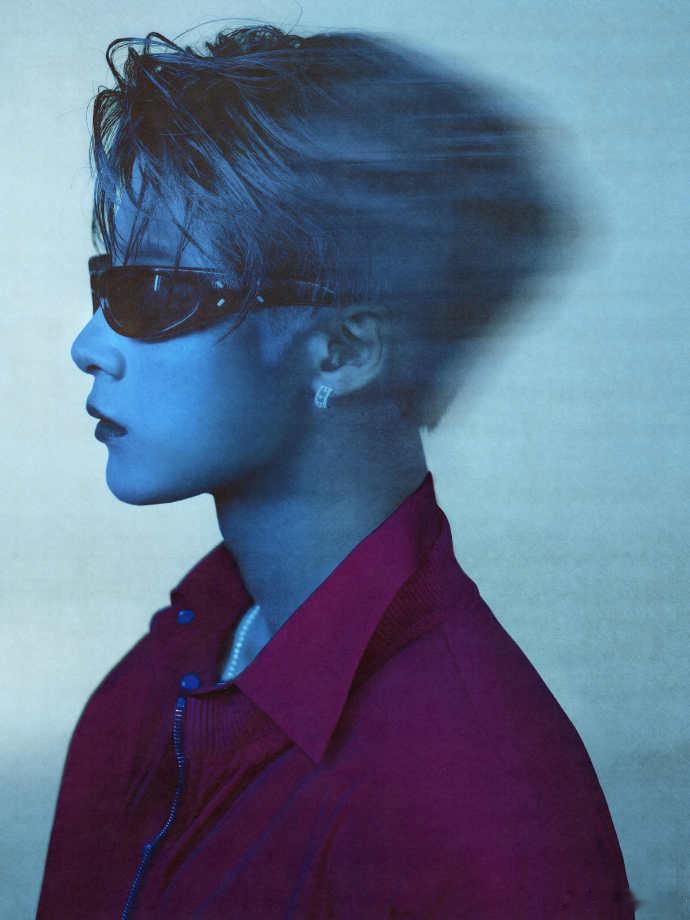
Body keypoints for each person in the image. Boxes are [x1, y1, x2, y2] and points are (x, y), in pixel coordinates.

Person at [38, 23, 634, 918]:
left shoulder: (486, 806)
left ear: (345, 350)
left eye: (155, 290)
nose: (90, 346)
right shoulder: (153, 691)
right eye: (106, 283)